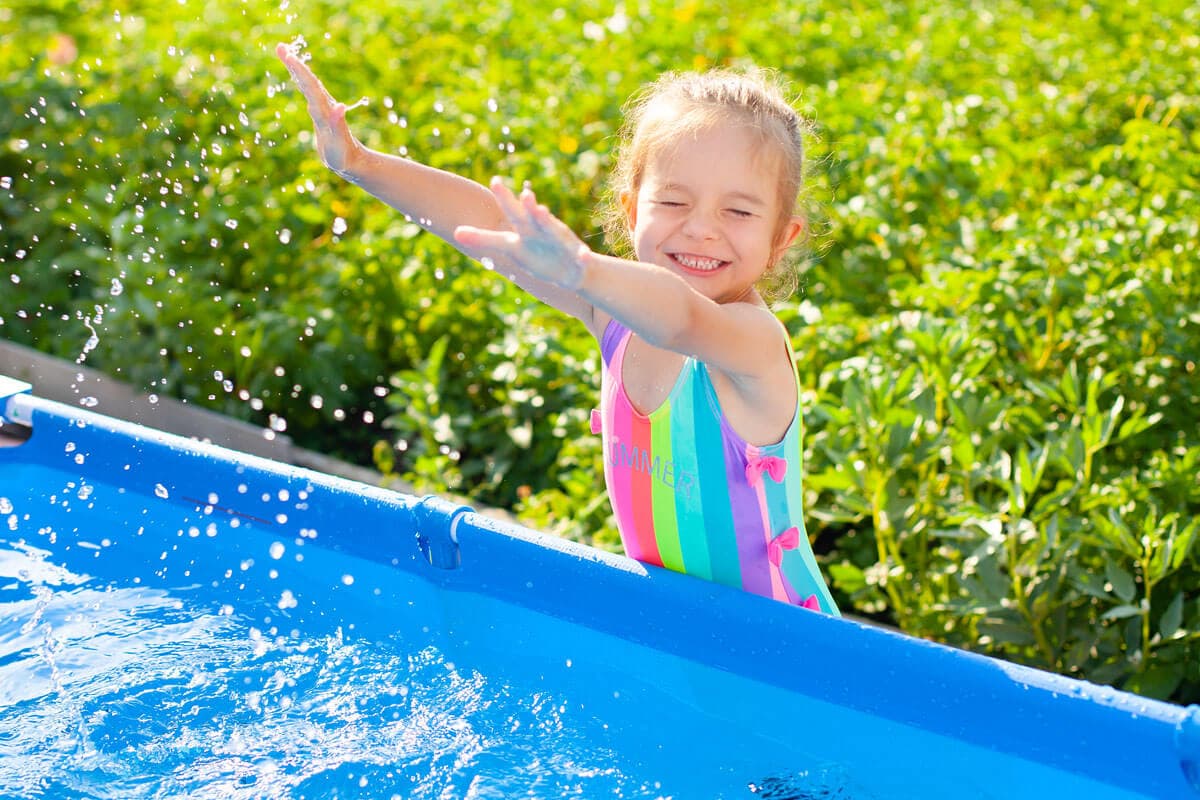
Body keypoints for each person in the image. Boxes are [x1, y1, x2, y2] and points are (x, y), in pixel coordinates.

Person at [276, 42, 838, 615]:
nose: (700, 230)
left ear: (780, 239)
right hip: (673, 634)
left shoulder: (754, 347)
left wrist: (583, 271)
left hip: (791, 656)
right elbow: (490, 223)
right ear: (630, 208)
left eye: (738, 212)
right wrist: (359, 161)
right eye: (672, 200)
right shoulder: (612, 314)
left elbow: (683, 319)